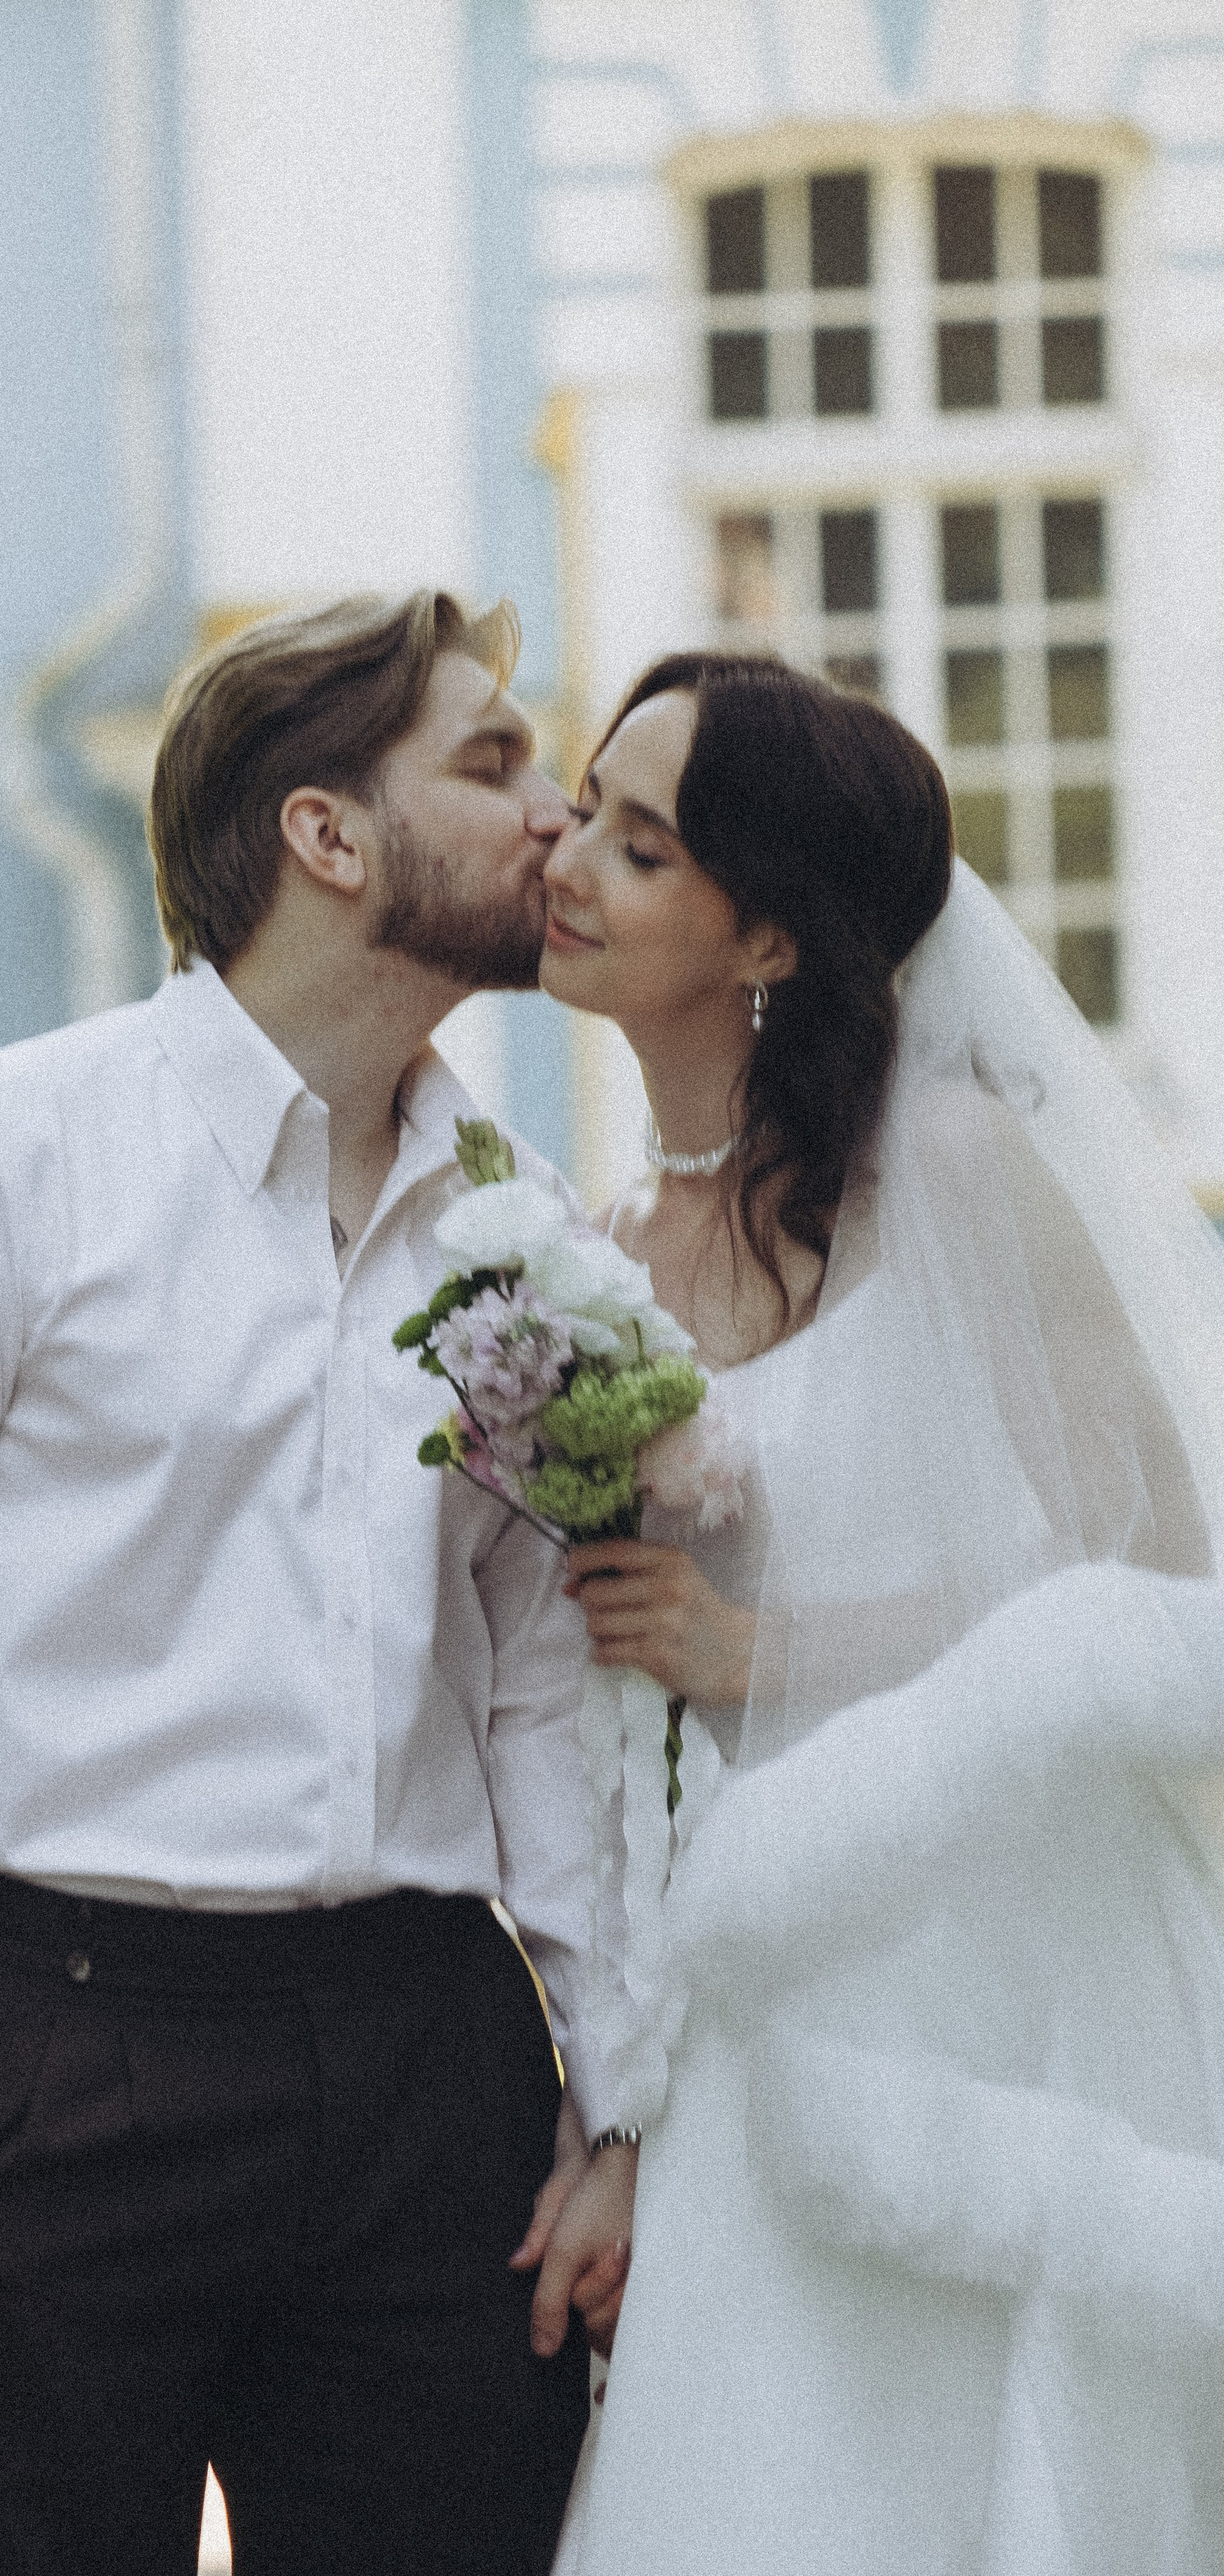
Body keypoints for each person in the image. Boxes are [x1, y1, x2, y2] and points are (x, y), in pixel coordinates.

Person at [0, 590, 635, 2576]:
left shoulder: (519, 1228)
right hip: (59, 2064)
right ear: (328, 836)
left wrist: (612, 2087)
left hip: (434, 2086)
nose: (555, 815)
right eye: (492, 764)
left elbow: (536, 1682)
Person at [531, 653, 1224, 2572]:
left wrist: (775, 1650)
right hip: (742, 2000)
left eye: (637, 842)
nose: (567, 858)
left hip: (981, 1970)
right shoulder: (584, 1265)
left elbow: (1169, 1586)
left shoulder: (960, 1166)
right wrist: (619, 2112)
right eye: (584, 807)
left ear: (762, 932)